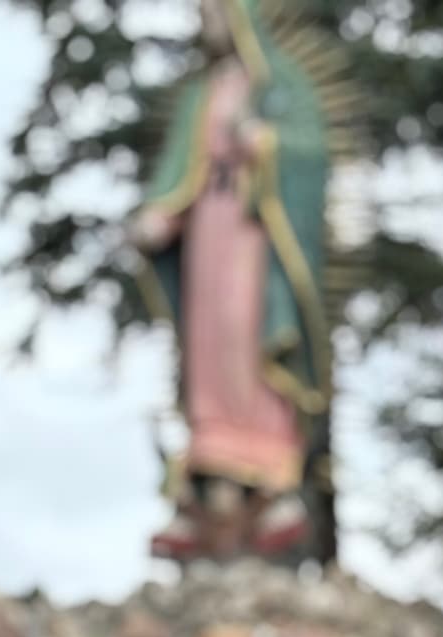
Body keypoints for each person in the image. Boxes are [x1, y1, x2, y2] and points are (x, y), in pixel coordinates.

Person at [131, 0, 335, 562]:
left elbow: (309, 153)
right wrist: (159, 216)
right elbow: (179, 173)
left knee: (250, 337)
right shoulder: (201, 96)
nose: (209, 22)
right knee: (209, 347)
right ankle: (206, 480)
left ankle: (271, 477)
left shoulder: (280, 85)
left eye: (218, 10)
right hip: (208, 237)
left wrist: (262, 142)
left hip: (254, 238)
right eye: (204, 12)